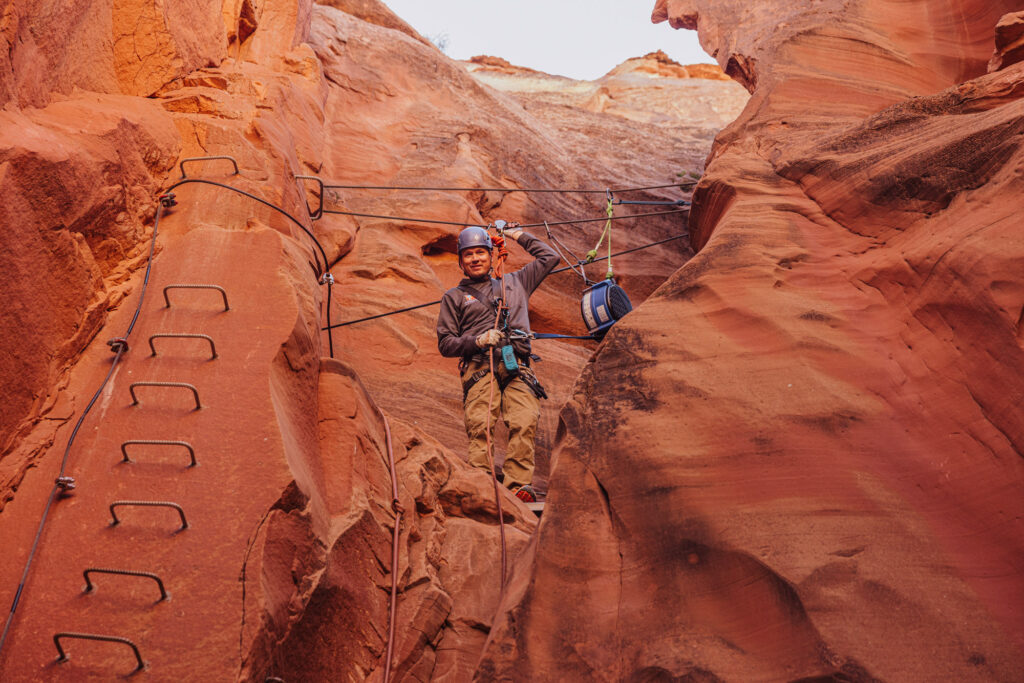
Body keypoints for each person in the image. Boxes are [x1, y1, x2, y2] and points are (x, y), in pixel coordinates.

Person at [436, 223, 558, 503]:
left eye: (481, 252)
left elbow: (549, 258)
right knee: (481, 425)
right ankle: (482, 483)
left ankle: (518, 486)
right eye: (468, 255)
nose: (475, 258)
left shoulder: (516, 283)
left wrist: (517, 235)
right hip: (480, 368)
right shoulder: (453, 298)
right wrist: (476, 341)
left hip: (518, 365)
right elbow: (445, 343)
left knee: (525, 420)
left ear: (492, 256)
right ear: (461, 262)